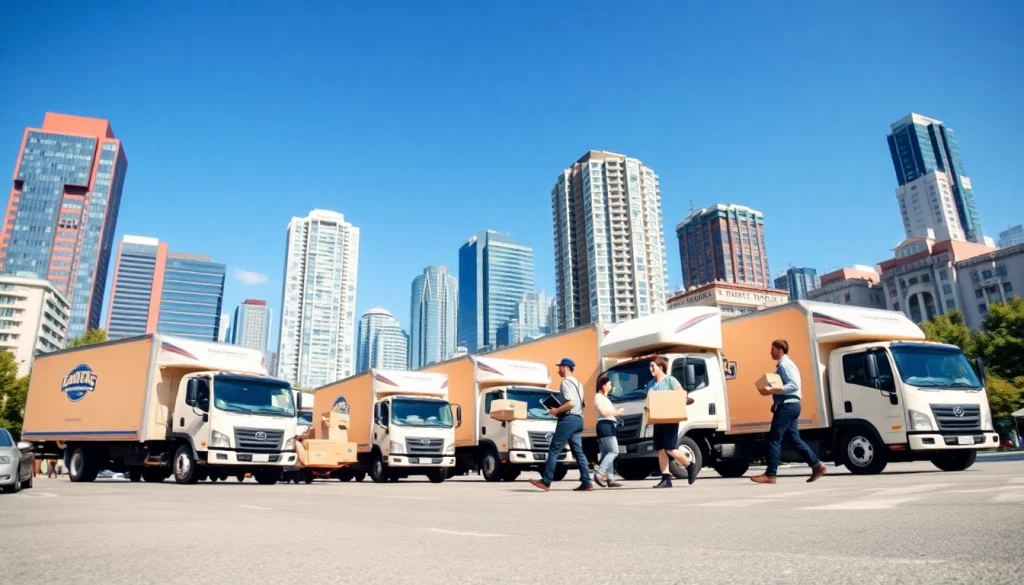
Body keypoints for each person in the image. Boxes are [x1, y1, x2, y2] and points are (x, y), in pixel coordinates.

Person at [751, 339, 828, 485]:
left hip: (788, 406)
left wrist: (773, 390)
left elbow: (794, 385)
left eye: (772, 349)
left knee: (773, 438)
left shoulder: (785, 365)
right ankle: (818, 466)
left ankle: (770, 474)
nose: (770, 352)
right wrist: (776, 400)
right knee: (793, 439)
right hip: (790, 405)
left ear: (780, 350)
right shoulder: (784, 365)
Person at [529, 358, 593, 492]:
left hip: (568, 419)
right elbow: (582, 403)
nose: (558, 370)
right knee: (578, 452)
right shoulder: (578, 384)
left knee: (554, 449)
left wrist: (556, 411)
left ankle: (546, 482)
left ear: (565, 367)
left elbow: (571, 403)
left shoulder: (565, 382)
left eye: (560, 367)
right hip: (578, 419)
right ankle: (587, 482)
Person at [647, 356, 698, 488]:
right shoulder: (651, 384)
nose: (651, 369)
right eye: (650, 366)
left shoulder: (671, 381)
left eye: (653, 366)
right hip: (658, 420)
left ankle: (689, 464)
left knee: (670, 448)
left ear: (661, 367)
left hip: (670, 418)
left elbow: (681, 395)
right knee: (660, 449)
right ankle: (666, 479)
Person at [594, 376, 624, 488]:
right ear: (603, 386)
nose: (611, 387)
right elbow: (603, 412)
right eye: (609, 384)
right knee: (614, 451)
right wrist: (617, 413)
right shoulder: (598, 397)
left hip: (609, 425)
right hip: (605, 425)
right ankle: (599, 473)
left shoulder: (605, 398)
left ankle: (610, 479)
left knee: (607, 453)